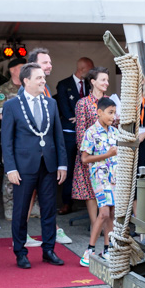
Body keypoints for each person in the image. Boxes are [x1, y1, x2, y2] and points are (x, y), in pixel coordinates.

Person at [1, 63, 67, 269]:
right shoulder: (12, 105)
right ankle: (20, 252)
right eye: (38, 78)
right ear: (26, 80)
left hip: (49, 164)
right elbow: (6, 141)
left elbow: (58, 136)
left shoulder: (51, 103)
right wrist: (10, 168)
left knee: (49, 210)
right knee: (21, 211)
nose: (43, 81)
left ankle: (49, 250)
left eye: (43, 77)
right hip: (23, 167)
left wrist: (62, 164)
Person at [72, 67, 115, 243]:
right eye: (103, 80)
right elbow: (80, 130)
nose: (106, 83)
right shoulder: (83, 103)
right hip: (89, 152)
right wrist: (86, 152)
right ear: (93, 82)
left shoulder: (110, 101)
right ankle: (93, 223)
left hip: (109, 153)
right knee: (89, 191)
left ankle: (106, 228)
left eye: (107, 80)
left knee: (108, 190)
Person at [79, 98, 118, 267]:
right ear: (99, 112)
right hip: (99, 178)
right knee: (103, 213)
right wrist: (107, 155)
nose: (113, 116)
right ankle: (89, 250)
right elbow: (85, 158)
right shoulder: (91, 132)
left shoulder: (115, 132)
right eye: (110, 113)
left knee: (112, 213)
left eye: (114, 113)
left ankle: (108, 249)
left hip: (114, 177)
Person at [55, 57, 94, 214]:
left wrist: (82, 118)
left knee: (89, 166)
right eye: (90, 70)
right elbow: (65, 110)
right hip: (70, 133)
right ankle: (67, 202)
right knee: (69, 167)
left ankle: (90, 200)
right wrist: (82, 117)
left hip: (88, 133)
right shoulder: (64, 84)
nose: (92, 73)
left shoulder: (90, 84)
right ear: (82, 69)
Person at [0, 57, 25, 221]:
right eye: (22, 68)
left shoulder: (30, 86)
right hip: (11, 135)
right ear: (13, 70)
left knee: (32, 170)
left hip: (29, 137)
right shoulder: (4, 89)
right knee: (10, 171)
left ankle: (32, 205)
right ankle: (9, 207)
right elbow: (0, 113)